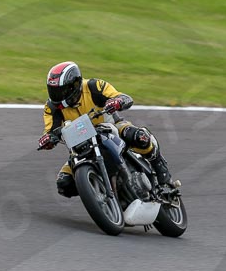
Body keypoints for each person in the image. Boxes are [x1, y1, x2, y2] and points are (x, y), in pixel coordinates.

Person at [38, 61, 173, 198]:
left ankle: (162, 172)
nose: (58, 96)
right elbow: (50, 130)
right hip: (80, 145)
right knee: (64, 184)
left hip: (112, 127)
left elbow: (123, 97)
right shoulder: (52, 107)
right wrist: (48, 139)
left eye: (62, 91)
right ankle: (99, 193)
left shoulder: (93, 86)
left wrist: (117, 101)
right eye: (54, 91)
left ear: (75, 85)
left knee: (140, 137)